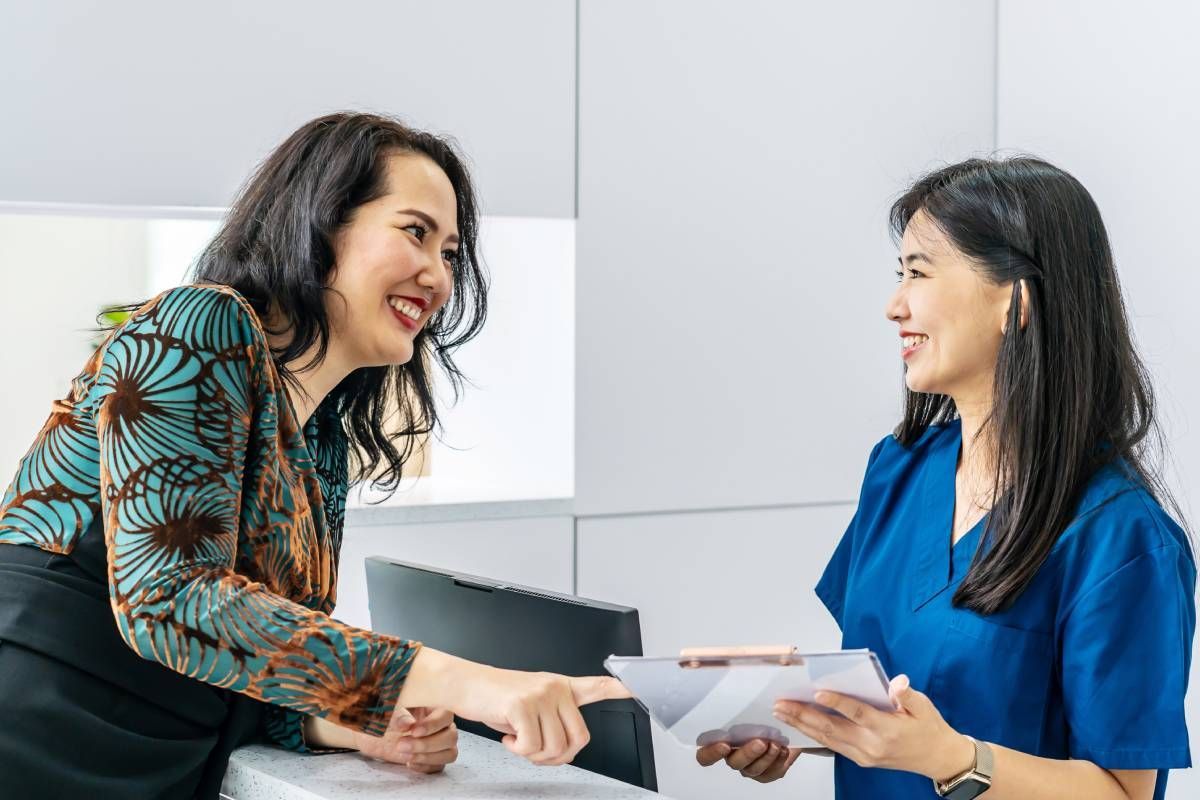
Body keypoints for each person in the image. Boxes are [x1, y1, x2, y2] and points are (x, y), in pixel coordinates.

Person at [0, 112, 627, 798]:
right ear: (320, 223)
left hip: (147, 763)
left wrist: (352, 723)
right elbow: (170, 600)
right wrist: (475, 685)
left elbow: (252, 653)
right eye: (416, 232)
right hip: (32, 737)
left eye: (450, 252)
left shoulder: (321, 437)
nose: (439, 277)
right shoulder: (200, 322)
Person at [696, 157, 1195, 799]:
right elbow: (896, 709)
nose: (893, 305)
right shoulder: (898, 470)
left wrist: (955, 758)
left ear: (1016, 298)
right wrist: (791, 724)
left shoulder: (1122, 538)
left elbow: (1122, 793)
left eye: (918, 273)